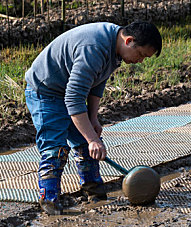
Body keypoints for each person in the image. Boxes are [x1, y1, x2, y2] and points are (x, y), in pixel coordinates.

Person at [25, 21, 162, 215]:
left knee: (86, 144)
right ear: (129, 40)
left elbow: (97, 83)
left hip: (68, 91)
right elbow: (73, 98)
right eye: (140, 55)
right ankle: (50, 200)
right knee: (55, 148)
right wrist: (92, 138)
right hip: (46, 90)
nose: (140, 61)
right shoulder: (94, 47)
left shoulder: (115, 47)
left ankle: (94, 192)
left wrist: (93, 119)